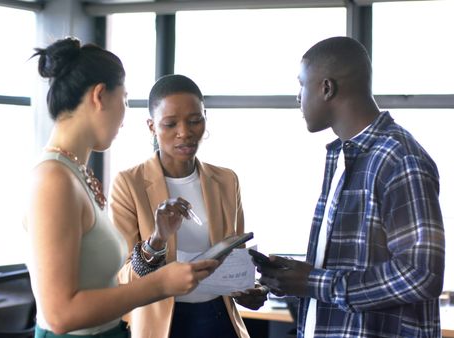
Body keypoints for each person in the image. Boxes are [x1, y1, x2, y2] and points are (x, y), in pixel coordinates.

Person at [23, 38, 222, 338]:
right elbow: (59, 314)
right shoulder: (53, 179)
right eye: (125, 99)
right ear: (100, 96)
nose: (125, 116)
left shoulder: (76, 172)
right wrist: (161, 284)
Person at [256, 36, 445, 338]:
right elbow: (351, 269)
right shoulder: (345, 156)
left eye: (302, 85)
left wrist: (315, 281)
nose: (298, 98)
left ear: (326, 88)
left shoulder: (399, 158)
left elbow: (421, 276)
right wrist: (295, 279)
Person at [110, 74, 268, 338]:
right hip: (162, 325)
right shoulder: (129, 183)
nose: (185, 132)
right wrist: (157, 240)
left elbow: (235, 255)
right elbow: (123, 279)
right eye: (170, 124)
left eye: (195, 120)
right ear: (151, 127)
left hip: (220, 318)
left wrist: (248, 288)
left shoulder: (227, 180)